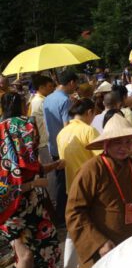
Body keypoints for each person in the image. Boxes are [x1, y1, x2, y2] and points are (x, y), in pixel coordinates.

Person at [65, 114, 132, 268]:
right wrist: (98, 243)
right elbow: (74, 212)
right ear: (106, 143)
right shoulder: (92, 169)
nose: (123, 148)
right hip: (104, 249)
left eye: (127, 142)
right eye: (117, 142)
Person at [0, 93, 63, 268]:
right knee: (25, 254)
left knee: (34, 249)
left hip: (29, 203)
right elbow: (9, 185)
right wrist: (33, 183)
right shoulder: (20, 130)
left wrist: (52, 166)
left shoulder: (7, 139)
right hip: (10, 208)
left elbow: (28, 168)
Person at [56, 98, 99, 268]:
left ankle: (68, 267)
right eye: (94, 113)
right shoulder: (88, 130)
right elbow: (101, 158)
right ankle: (91, 260)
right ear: (89, 112)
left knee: (73, 224)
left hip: (70, 185)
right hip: (90, 185)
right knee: (94, 222)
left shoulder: (62, 132)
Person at [44, 69, 79, 226]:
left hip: (53, 144)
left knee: (60, 182)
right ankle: (61, 217)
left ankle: (60, 216)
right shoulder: (65, 100)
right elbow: (67, 126)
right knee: (64, 184)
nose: (76, 87)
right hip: (65, 147)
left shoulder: (48, 98)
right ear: (71, 82)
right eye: (75, 84)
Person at [28, 74, 55, 166]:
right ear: (41, 87)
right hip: (45, 142)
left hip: (44, 141)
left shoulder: (38, 100)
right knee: (51, 171)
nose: (52, 89)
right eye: (50, 86)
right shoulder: (41, 101)